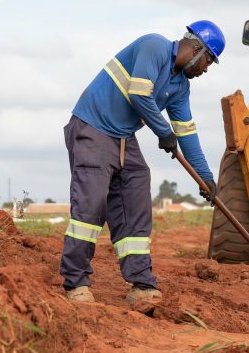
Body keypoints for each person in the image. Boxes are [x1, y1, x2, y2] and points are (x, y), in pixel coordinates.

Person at [60, 21, 224, 304]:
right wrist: (163, 132)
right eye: (208, 60)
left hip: (123, 136)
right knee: (91, 205)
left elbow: (186, 134)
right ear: (197, 48)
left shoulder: (180, 87)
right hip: (93, 127)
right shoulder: (154, 46)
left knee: (136, 194)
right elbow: (139, 94)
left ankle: (141, 285)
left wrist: (206, 178)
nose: (206, 68)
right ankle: (76, 283)